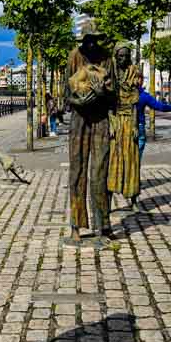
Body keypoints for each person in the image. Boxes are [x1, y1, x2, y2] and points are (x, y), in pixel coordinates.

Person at [67, 22, 114, 244]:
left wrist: (101, 93)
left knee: (99, 174)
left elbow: (114, 96)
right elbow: (67, 94)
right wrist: (80, 100)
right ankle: (76, 226)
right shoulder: (74, 56)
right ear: (83, 41)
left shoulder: (107, 58)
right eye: (88, 40)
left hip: (101, 120)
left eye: (95, 39)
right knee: (77, 172)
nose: (92, 44)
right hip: (79, 120)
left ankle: (103, 225)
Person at [107, 41, 141, 207]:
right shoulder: (111, 73)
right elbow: (107, 103)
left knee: (131, 159)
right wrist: (111, 124)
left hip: (129, 120)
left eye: (126, 56)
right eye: (120, 56)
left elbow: (135, 103)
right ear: (116, 56)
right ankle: (108, 199)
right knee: (113, 159)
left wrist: (135, 125)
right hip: (115, 120)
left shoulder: (133, 72)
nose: (123, 59)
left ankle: (133, 197)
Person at [135, 72, 171, 167]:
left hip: (125, 126)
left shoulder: (123, 94)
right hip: (139, 126)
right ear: (141, 80)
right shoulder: (144, 96)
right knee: (138, 153)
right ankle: (135, 174)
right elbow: (160, 107)